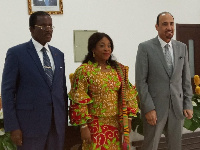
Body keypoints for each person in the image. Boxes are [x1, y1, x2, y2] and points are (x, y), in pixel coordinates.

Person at [1, 11, 67, 150]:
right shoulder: (17, 53)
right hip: (29, 127)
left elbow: (61, 90)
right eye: (43, 26)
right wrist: (13, 127)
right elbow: (7, 92)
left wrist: (64, 121)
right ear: (31, 29)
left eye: (50, 26)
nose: (48, 29)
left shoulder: (58, 54)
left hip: (56, 127)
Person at [69, 32, 138, 150]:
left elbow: (129, 94)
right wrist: (84, 126)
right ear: (93, 49)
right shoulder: (85, 71)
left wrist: (129, 119)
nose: (107, 49)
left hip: (116, 123)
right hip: (94, 124)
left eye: (109, 46)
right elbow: (78, 99)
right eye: (102, 46)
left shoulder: (118, 69)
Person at [135, 12, 193, 150]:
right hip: (155, 109)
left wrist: (188, 103)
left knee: (175, 146)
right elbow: (141, 81)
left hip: (177, 108)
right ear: (157, 27)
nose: (169, 27)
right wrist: (148, 108)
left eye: (171, 23)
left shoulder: (182, 47)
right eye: (165, 24)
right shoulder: (145, 48)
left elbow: (185, 79)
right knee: (151, 145)